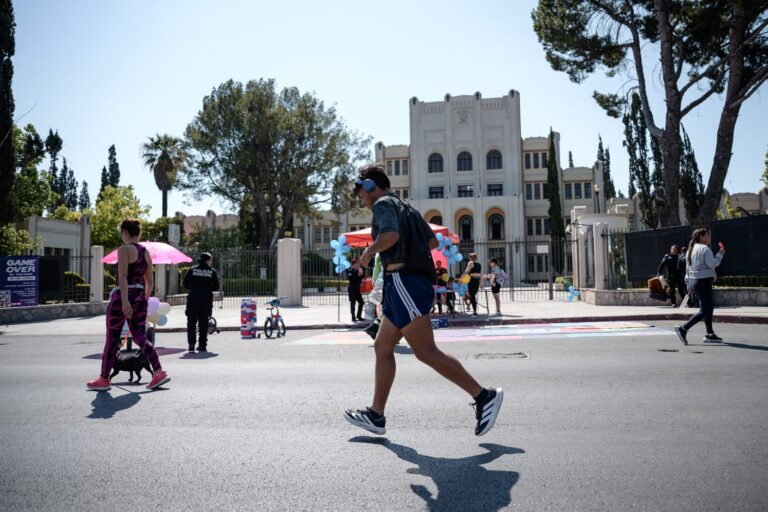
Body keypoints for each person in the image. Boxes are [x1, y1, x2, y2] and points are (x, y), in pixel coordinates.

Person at [343, 164, 503, 437]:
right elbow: (431, 243)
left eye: (361, 192)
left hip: (403, 281)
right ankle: (376, 415)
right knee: (382, 346)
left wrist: (369, 252)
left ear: (370, 186)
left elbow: (390, 236)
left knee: (426, 351)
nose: (361, 199)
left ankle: (483, 396)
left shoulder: (383, 204)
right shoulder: (407, 208)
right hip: (404, 284)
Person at [87, 219, 169, 391]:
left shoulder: (123, 249)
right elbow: (150, 281)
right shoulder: (146, 252)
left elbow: (123, 276)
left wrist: (125, 301)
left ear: (125, 232)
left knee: (112, 337)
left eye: (121, 232)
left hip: (122, 296)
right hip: (140, 295)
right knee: (140, 337)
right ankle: (158, 371)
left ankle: (104, 379)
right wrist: (144, 299)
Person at [675, 228, 725, 345]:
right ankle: (683, 329)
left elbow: (687, 268)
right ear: (702, 237)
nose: (709, 237)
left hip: (695, 282)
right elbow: (712, 263)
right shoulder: (704, 248)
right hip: (703, 282)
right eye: (707, 235)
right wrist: (720, 254)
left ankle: (709, 334)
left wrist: (688, 283)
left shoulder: (691, 249)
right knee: (706, 309)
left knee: (708, 308)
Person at [183, 252, 219, 352]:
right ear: (206, 261)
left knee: (191, 322)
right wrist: (207, 288)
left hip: (193, 299)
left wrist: (194, 288)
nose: (211, 262)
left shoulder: (192, 269)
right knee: (204, 323)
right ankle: (202, 345)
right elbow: (216, 286)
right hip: (206, 300)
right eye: (210, 260)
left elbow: (185, 284)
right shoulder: (212, 271)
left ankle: (191, 344)